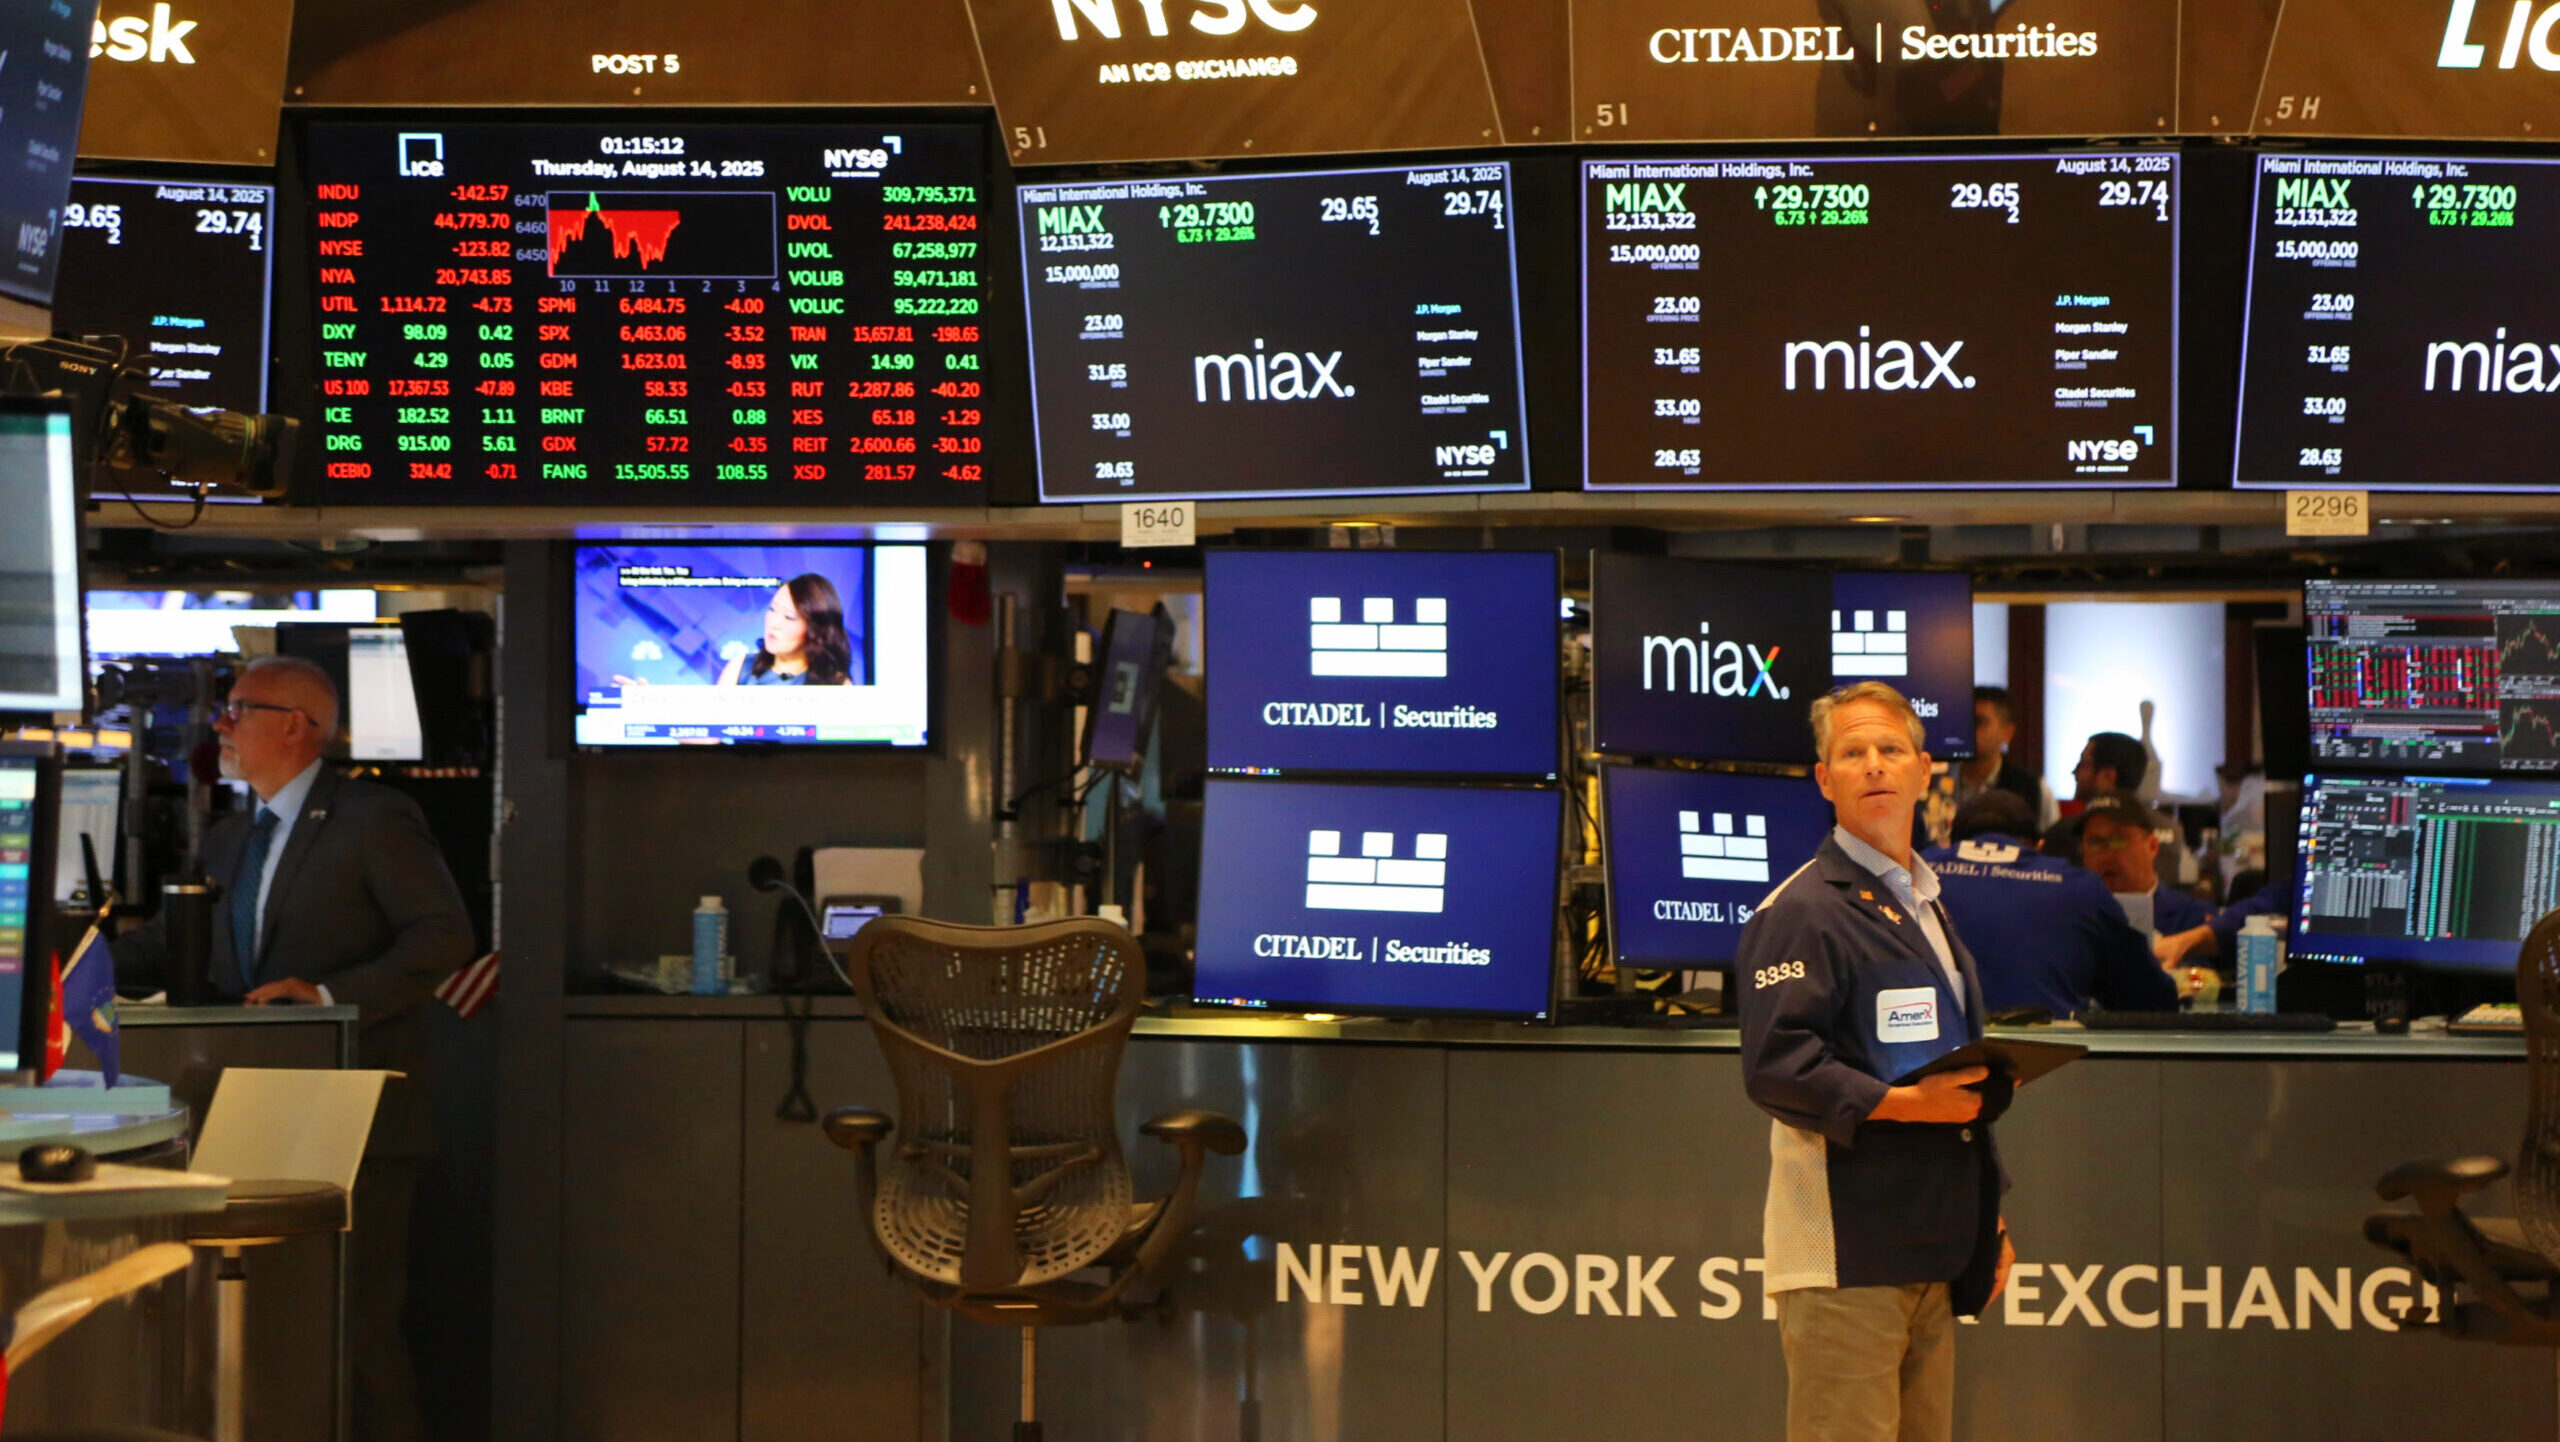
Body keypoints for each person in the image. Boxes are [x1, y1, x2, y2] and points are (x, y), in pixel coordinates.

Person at [113, 655, 473, 1442]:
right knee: (276, 1331)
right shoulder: (233, 835)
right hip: (255, 1118)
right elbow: (175, 948)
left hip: (361, 1117)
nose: (223, 725)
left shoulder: (374, 817)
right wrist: (57, 962)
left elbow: (445, 936)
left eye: (238, 709)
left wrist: (327, 996)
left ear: (296, 725)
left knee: (361, 1327)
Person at [1736, 680, 2015, 1442]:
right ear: (1825, 780)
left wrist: (1987, 1218)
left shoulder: (1927, 901)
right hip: (1846, 1258)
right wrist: (1906, 1105)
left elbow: (1952, 1078)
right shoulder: (1802, 910)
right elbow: (1777, 1067)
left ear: (1926, 770)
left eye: (1891, 749)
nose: (1874, 765)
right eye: (1851, 753)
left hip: (1933, 1249)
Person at [1926, 790, 2177, 1017]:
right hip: (2050, 1060)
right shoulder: (2081, 887)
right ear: (2039, 847)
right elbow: (2148, 998)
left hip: (1929, 1058)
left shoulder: (1916, 871)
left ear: (1950, 843)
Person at [2077, 792, 2211, 941]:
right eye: (2095, 843)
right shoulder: (2070, 916)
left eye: (2118, 840)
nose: (2106, 855)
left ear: (2152, 846)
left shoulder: (2193, 921)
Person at [717, 572, 856, 686]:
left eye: (789, 617)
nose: (774, 623)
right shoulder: (741, 668)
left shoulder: (836, 685)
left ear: (814, 629)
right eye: (772, 609)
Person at [2043, 731, 2153, 865]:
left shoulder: (2067, 833)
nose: (2074, 772)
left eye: (2083, 764)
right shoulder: (2169, 830)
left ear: (2108, 776)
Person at [1955, 686, 2054, 828]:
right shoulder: (1937, 781)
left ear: (2007, 733)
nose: (1968, 729)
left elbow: (2049, 843)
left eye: (1979, 722)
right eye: (1963, 721)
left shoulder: (2032, 788)